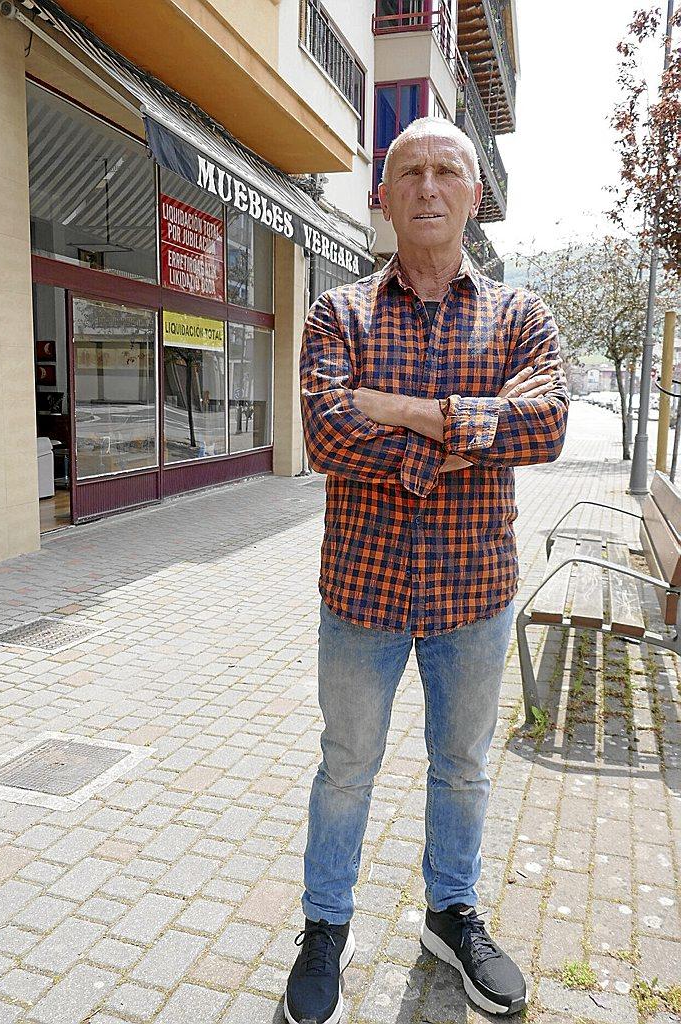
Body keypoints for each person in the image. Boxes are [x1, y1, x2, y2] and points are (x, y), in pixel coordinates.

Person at [283, 117, 569, 1024]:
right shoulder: (339, 312)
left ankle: (452, 912)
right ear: (385, 197)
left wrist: (404, 412)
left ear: (474, 195)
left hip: (472, 596)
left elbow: (547, 425)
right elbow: (328, 432)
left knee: (462, 768)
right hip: (362, 594)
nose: (430, 188)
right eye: (411, 172)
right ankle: (326, 925)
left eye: (448, 170)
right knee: (346, 767)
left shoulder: (522, 316)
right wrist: (464, 436)